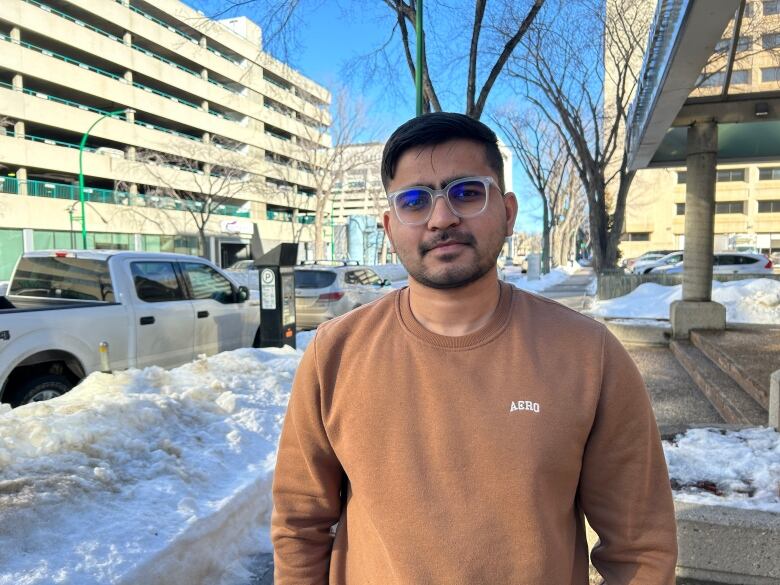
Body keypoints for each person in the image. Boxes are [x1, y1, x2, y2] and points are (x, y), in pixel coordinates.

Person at [272, 112, 677, 584]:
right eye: (414, 201)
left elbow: (640, 547)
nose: (441, 218)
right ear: (388, 226)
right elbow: (299, 525)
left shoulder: (590, 356)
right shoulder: (334, 354)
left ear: (507, 211)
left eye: (466, 193)